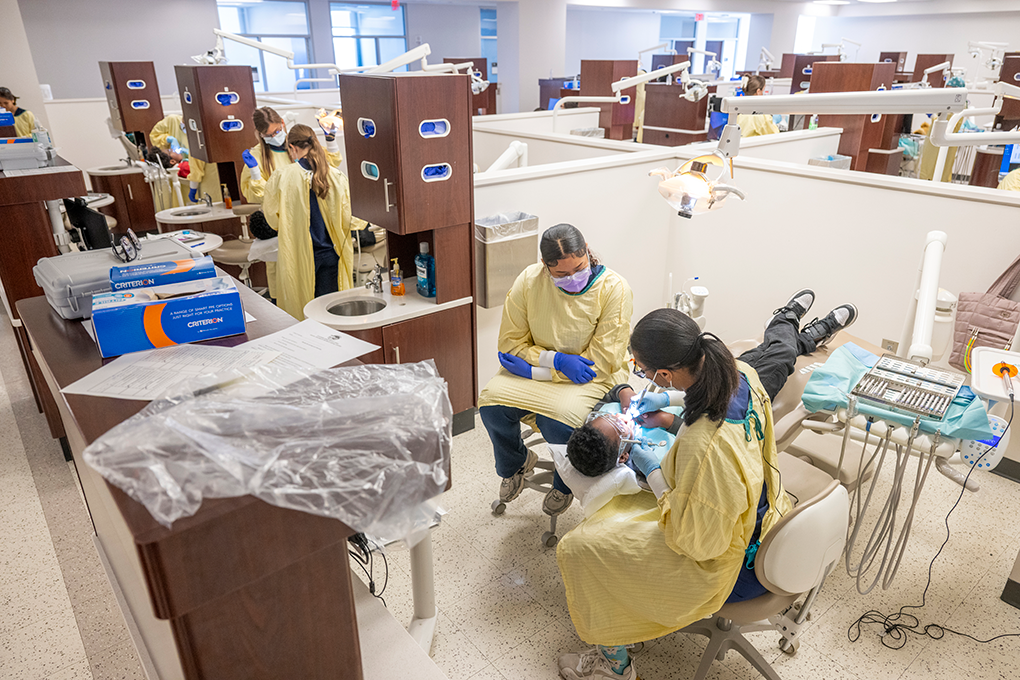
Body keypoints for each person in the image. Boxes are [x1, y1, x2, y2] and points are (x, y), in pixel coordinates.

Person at [555, 290, 858, 680]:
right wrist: (672, 405)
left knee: (579, 548)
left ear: (663, 372)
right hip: (765, 515)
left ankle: (615, 665)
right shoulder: (738, 373)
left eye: (643, 370)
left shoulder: (704, 446)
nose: (642, 377)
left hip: (732, 568)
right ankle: (629, 619)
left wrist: (656, 472)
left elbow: (695, 542)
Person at [478, 224, 633, 516]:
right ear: (544, 266)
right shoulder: (529, 280)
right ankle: (516, 464)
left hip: (591, 377)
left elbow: (600, 362)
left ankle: (564, 485)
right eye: (561, 274)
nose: (572, 278)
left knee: (558, 423)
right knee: (491, 405)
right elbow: (511, 344)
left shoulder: (614, 290)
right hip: (546, 371)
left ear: (587, 249)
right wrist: (556, 361)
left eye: (579, 267)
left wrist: (537, 370)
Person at [238, 107, 358, 300]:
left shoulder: (285, 171)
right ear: (260, 135)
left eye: (277, 131)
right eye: (269, 135)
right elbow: (255, 196)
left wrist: (331, 140)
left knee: (300, 299)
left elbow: (329, 164)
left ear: (283, 125)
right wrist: (253, 171)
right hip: (296, 240)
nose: (275, 136)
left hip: (305, 240)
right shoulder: (258, 156)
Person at [262, 124, 357, 319]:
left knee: (303, 315)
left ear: (292, 148)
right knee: (330, 314)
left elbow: (273, 219)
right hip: (332, 254)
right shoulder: (335, 176)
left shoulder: (282, 177)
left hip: (298, 259)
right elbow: (349, 218)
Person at [149, 113, 221, 205]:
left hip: (202, 176)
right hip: (191, 178)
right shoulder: (172, 121)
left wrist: (190, 155)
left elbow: (196, 170)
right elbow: (154, 135)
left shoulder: (200, 135)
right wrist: (169, 139)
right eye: (170, 150)